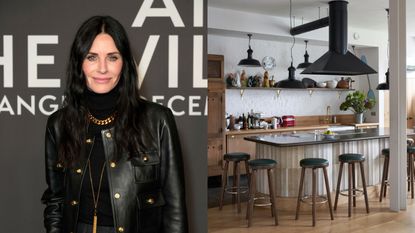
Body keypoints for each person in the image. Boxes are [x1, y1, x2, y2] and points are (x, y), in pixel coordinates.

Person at [41, 15, 188, 233]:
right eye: (91, 57)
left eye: (112, 57)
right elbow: (56, 200)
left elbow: (175, 208)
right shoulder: (58, 125)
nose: (102, 68)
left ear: (125, 63)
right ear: (79, 63)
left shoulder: (158, 120)